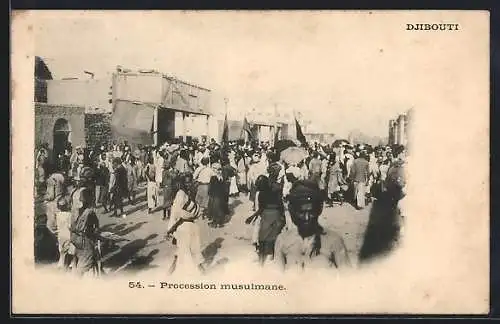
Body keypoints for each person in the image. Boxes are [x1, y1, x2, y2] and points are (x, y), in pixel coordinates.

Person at [274, 180, 351, 272]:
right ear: (292, 211)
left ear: (319, 210)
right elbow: (277, 280)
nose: (306, 218)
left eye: (311, 212)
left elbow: (348, 279)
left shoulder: (333, 240)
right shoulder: (283, 240)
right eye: (301, 213)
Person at [166, 172, 205, 275]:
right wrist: (172, 228)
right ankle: (171, 272)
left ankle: (171, 271)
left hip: (190, 225)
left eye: (190, 182)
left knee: (192, 250)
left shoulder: (189, 193)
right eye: (186, 182)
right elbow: (177, 213)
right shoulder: (181, 195)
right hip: (183, 226)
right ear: (183, 183)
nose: (188, 184)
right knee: (184, 251)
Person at [245, 175, 285, 266]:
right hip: (276, 215)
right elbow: (280, 205)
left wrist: (252, 217)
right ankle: (273, 257)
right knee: (274, 237)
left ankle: (261, 261)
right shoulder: (275, 192)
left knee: (262, 239)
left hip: (267, 215)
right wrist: (282, 217)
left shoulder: (261, 194)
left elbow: (261, 209)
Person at [70, 169, 100, 276]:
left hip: (74, 230)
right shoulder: (85, 193)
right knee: (86, 261)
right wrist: (96, 227)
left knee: (77, 256)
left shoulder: (74, 192)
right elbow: (88, 214)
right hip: (83, 233)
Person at [207, 163, 226, 228]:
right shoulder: (222, 177)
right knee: (219, 208)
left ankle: (215, 222)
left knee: (214, 209)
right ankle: (219, 222)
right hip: (220, 195)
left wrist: (209, 194)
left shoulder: (213, 177)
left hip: (214, 195)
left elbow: (211, 187)